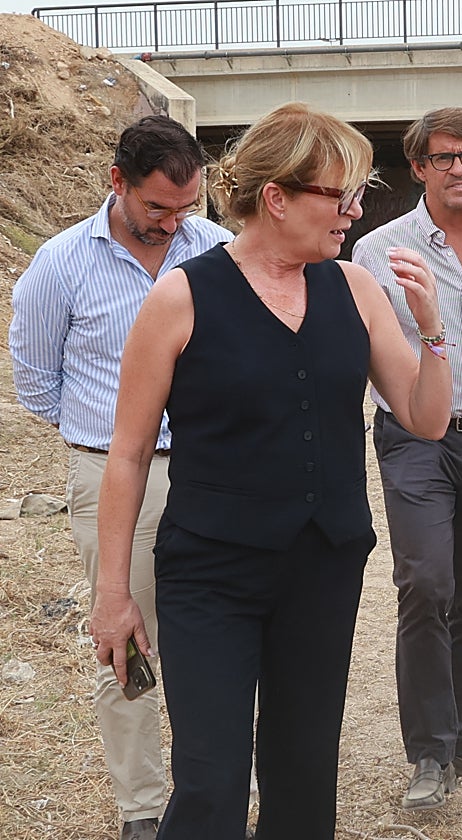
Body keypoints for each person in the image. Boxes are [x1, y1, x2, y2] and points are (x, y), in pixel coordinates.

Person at [88, 101, 452, 840]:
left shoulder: (353, 288)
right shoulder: (181, 297)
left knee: (304, 774)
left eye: (356, 196)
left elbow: (427, 418)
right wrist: (114, 595)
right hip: (209, 575)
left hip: (322, 568)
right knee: (211, 783)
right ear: (277, 198)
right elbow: (126, 454)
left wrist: (433, 329)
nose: (354, 212)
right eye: (339, 196)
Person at [9, 115, 232, 840]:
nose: (171, 224)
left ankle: (226, 783)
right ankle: (141, 808)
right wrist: (106, 444)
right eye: (155, 208)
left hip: (213, 476)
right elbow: (38, 384)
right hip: (111, 477)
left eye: (185, 209)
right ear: (117, 182)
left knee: (223, 635)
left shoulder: (221, 254)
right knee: (125, 642)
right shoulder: (60, 262)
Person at [351, 107, 462, 810]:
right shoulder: (377, 252)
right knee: (426, 582)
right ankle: (428, 752)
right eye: (444, 157)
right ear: (418, 167)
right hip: (415, 437)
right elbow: (379, 355)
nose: (459, 167)